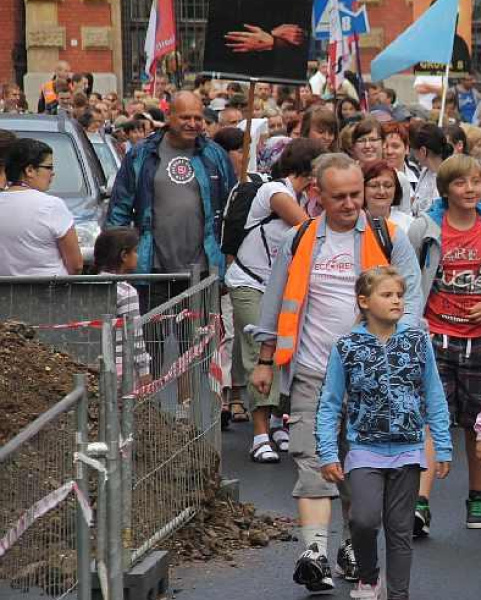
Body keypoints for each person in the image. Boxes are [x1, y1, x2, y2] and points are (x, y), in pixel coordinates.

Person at [250, 153, 421, 593]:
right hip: (313, 373)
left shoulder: (389, 237)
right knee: (312, 460)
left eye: (355, 195)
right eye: (339, 196)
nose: (349, 204)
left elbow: (411, 305)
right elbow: (276, 302)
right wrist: (265, 360)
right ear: (317, 195)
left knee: (356, 470)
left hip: (372, 380)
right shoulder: (300, 238)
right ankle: (315, 554)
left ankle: (350, 547)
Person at [316, 266, 452, 600]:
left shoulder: (417, 341)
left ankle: (399, 595)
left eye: (400, 295)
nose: (396, 301)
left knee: (400, 530)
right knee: (362, 520)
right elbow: (330, 403)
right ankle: (368, 576)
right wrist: (328, 452)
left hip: (408, 448)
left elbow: (434, 394)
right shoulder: (346, 347)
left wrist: (443, 445)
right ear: (364, 301)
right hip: (364, 448)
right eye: (387, 294)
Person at [407, 154, 481, 531]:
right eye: (461, 183)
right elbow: (406, 276)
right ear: (446, 190)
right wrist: (413, 322)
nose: (470, 189)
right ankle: (420, 503)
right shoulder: (425, 227)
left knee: (480, 423)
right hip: (435, 337)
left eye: (476, 181)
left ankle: (478, 497)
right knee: (430, 418)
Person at [225, 138, 323, 463]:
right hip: (249, 282)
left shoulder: (305, 198)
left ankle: (280, 422)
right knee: (259, 351)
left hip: (281, 289)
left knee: (286, 354)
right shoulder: (274, 192)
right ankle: (259, 435)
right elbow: (310, 230)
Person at [108, 91, 237, 303]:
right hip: (153, 271)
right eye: (185, 117)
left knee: (201, 327)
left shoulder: (215, 156)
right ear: (169, 117)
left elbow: (231, 210)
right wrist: (117, 261)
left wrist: (228, 262)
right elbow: (119, 210)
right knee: (152, 326)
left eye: (198, 118)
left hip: (204, 273)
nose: (192, 124)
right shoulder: (141, 154)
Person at [0, 138, 83, 276]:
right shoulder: (52, 206)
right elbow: (76, 265)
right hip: (50, 287)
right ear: (30, 170)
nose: (53, 173)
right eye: (49, 167)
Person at [93, 227, 151, 383]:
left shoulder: (89, 286)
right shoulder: (126, 292)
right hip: (121, 372)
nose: (138, 256)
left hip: (92, 369)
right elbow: (135, 336)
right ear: (124, 256)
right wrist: (144, 372)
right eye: (135, 251)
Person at [410, 122, 453, 215]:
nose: (415, 157)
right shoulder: (425, 171)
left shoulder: (448, 176)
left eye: (415, 151)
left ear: (423, 151)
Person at [362, 159, 414, 233]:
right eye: (374, 186)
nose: (382, 192)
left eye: (388, 186)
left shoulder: (409, 225)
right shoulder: (353, 222)